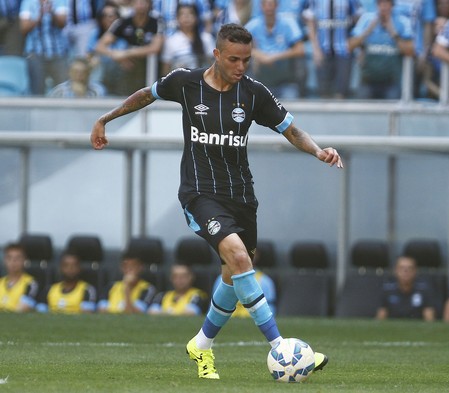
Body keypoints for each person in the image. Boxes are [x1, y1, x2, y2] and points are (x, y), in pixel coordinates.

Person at [90, 23, 342, 380]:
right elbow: (146, 94)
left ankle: (201, 345)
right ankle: (281, 348)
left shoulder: (254, 94)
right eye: (235, 60)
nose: (241, 67)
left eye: (247, 60)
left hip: (241, 196)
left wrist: (319, 151)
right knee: (239, 258)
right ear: (218, 55)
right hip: (199, 194)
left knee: (232, 274)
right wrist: (105, 118)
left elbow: (291, 129)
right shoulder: (185, 82)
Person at [95, 0, 164, 96]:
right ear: (131, 4)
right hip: (127, 66)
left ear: (149, 5)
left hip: (150, 65)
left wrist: (127, 53)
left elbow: (156, 48)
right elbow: (100, 46)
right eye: (137, 2)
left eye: (144, 2)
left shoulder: (156, 21)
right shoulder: (123, 22)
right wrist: (118, 57)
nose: (140, 5)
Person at [348, 0, 415, 99]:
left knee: (393, 111)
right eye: (380, 4)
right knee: (362, 111)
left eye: (386, 4)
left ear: (392, 6)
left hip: (392, 83)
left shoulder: (402, 22)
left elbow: (410, 51)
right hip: (367, 81)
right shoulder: (367, 19)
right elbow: (349, 46)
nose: (383, 7)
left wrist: (393, 33)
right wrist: (368, 31)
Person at [244, 0, 305, 99]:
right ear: (261, 7)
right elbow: (238, 46)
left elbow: (300, 49)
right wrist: (258, 55)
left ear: (277, 6)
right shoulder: (253, 25)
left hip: (285, 83)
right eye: (266, 5)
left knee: (291, 107)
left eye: (271, 5)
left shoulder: (288, 23)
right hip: (260, 83)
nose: (269, 8)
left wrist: (274, 57)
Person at [19, 0, 70, 95]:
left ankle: (63, 109)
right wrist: (39, 15)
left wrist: (51, 12)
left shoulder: (59, 1)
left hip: (58, 52)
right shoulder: (28, 2)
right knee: (37, 90)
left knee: (63, 89)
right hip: (35, 53)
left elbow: (62, 23)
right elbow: (23, 28)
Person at [160, 3, 215, 75]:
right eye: (182, 14)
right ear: (177, 18)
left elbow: (213, 65)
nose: (186, 17)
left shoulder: (206, 38)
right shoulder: (171, 41)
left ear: (196, 17)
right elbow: (166, 69)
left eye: (190, 14)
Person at [376, 255, 435, 321]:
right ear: (395, 271)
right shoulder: (387, 290)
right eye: (402, 268)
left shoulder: (424, 290)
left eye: (410, 268)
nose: (406, 271)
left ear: (415, 271)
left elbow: (429, 319)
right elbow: (380, 319)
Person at [0, 242, 38, 312]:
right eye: (9, 258)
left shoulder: (31, 283)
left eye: (18, 258)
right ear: (4, 260)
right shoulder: (1, 282)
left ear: (24, 260)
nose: (13, 261)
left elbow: (22, 309)